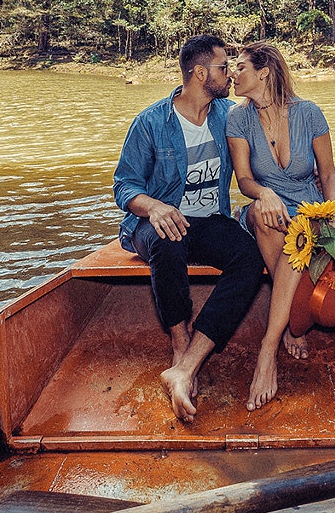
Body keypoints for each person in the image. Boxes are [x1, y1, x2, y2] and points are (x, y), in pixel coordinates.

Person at [112, 34, 263, 423]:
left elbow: (269, 125)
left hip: (209, 222)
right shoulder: (150, 122)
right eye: (222, 67)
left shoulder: (228, 116)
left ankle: (187, 365)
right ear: (199, 73)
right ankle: (179, 344)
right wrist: (155, 207)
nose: (229, 73)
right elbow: (125, 185)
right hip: (154, 223)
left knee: (248, 256)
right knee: (169, 238)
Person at [227, 41, 335, 412]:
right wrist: (264, 193)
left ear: (264, 72)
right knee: (265, 215)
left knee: (302, 228)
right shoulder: (237, 118)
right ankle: (274, 344)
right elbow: (243, 180)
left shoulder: (309, 113)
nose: (231, 73)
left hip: (309, 212)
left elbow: (327, 173)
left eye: (239, 67)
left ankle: (277, 329)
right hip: (265, 210)